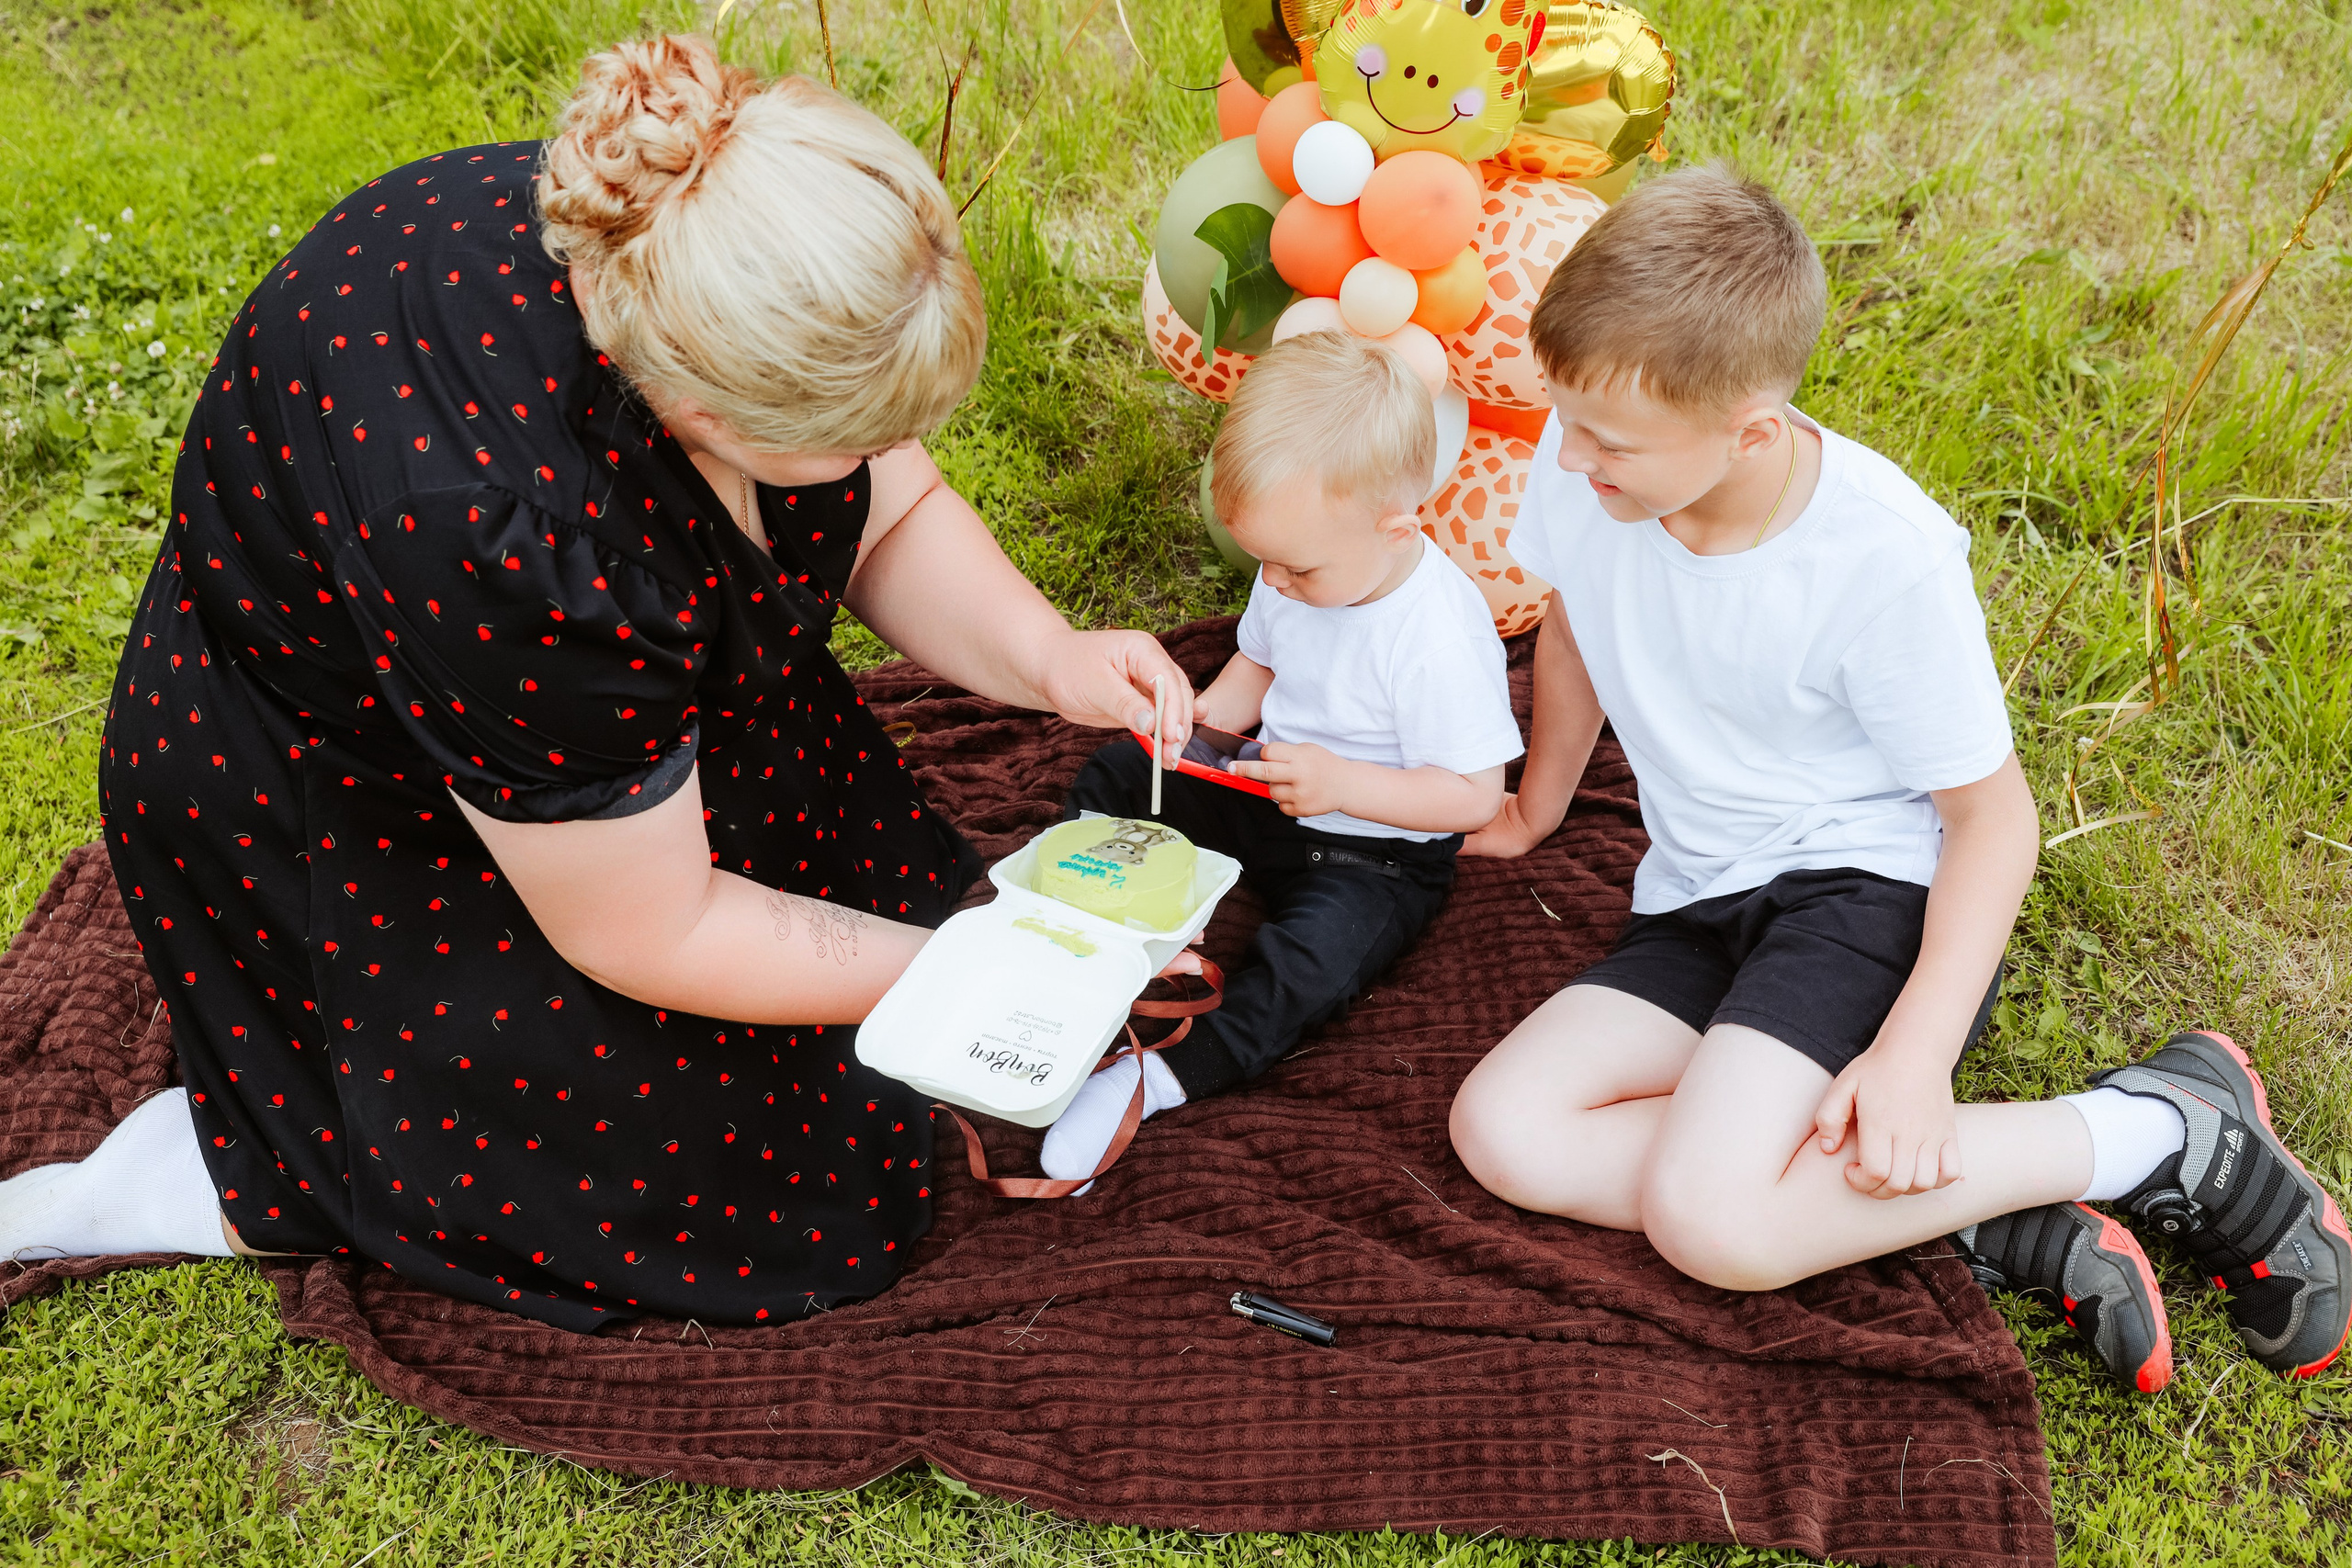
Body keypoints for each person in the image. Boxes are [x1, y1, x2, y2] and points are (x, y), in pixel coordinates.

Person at [0, 35, 1203, 1331]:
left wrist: (1047, 656)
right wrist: (967, 967)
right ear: (697, 409)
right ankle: (254, 1164)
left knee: (858, 980)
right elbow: (647, 930)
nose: (875, 453)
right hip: (332, 784)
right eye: (838, 431)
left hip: (536, 698)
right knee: (777, 1202)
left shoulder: (676, 230)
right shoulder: (512, 536)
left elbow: (890, 503)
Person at [1446, 165, 2349, 1388]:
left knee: (1714, 1221)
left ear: (1748, 429)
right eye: (1565, 417)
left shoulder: (1881, 560)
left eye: (1608, 439)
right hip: (1702, 890)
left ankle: (2166, 1134)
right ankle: (1966, 1204)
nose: (1568, 455)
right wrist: (1536, 802)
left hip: (1862, 891)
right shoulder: (1593, 467)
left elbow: (1992, 819)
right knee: (1501, 1129)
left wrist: (1916, 1058)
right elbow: (1570, 624)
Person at [1037, 333, 1523, 1181]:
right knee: (1121, 772)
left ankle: (1154, 1079)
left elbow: (1473, 795)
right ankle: (1088, 916)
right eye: (1266, 561)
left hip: (1374, 852)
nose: (1276, 581)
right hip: (1263, 786)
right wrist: (1206, 722)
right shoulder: (1299, 563)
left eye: (1296, 567)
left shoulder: (1436, 636)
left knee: (1312, 966)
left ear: (1397, 526)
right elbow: (1258, 660)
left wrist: (1345, 784)